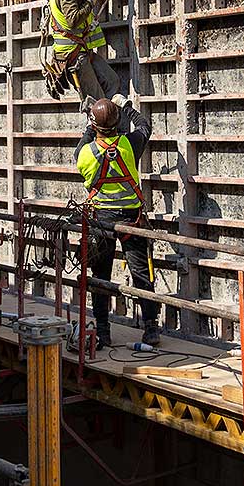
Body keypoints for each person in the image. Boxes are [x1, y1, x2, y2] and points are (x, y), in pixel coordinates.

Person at [75, 97, 159, 353]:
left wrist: (91, 124)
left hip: (102, 219)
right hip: (131, 218)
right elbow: (145, 126)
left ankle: (103, 331)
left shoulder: (86, 153)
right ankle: (151, 328)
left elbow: (79, 153)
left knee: (100, 277)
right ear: (118, 122)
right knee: (141, 274)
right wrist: (126, 108)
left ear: (95, 124)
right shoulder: (129, 144)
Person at [45, 0, 123, 106]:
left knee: (111, 81)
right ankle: (98, 127)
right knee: (97, 102)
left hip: (81, 51)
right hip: (73, 56)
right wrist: (90, 2)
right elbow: (73, 20)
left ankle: (109, 121)